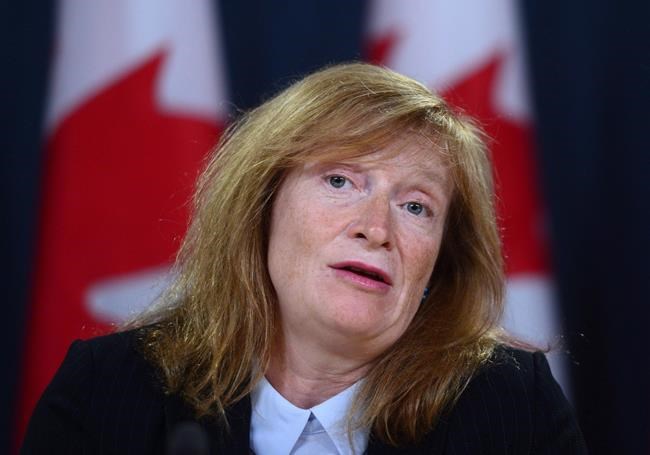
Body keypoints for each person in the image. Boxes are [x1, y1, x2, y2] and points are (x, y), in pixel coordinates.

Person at [22, 63, 587, 454]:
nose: (376, 229)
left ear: (440, 263)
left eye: (416, 207)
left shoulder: (513, 410)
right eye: (340, 181)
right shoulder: (108, 390)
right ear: (263, 206)